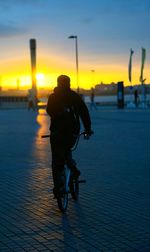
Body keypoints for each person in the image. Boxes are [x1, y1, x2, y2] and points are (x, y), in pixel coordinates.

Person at [46, 75, 92, 197]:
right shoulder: (74, 96)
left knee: (56, 161)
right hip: (72, 133)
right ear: (69, 83)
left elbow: (49, 111)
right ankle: (73, 170)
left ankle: (58, 189)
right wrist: (88, 129)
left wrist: (59, 115)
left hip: (56, 133)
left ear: (57, 83)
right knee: (67, 150)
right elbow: (84, 113)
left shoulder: (52, 97)